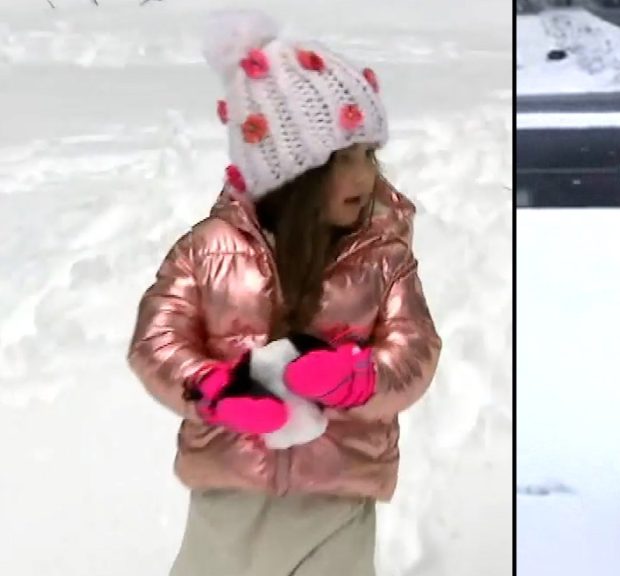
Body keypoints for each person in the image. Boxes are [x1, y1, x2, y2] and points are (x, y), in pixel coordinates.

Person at [127, 10, 442, 576]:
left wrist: (360, 379)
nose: (364, 176)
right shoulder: (209, 251)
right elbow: (157, 340)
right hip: (231, 492)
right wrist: (212, 389)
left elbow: (414, 349)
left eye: (368, 154)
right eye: (340, 161)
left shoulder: (384, 258)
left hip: (337, 496)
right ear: (287, 176)